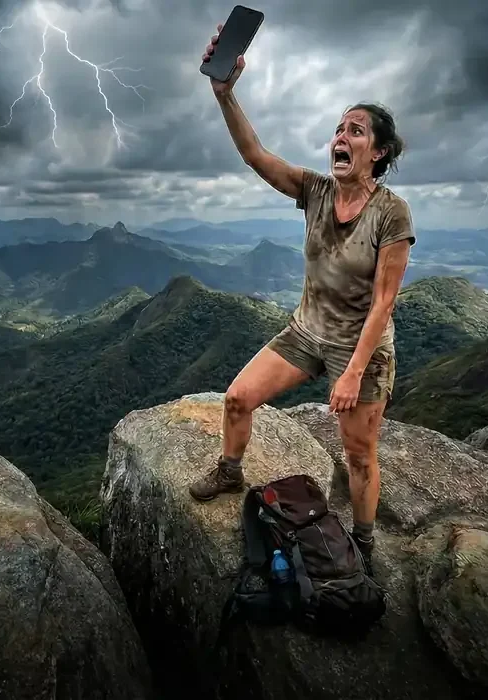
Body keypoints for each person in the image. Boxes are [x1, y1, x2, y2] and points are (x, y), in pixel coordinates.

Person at [189, 23, 415, 573]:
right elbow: (255, 154)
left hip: (360, 347)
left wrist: (352, 373)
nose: (342, 136)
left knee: (358, 454)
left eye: (356, 130)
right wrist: (226, 94)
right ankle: (230, 470)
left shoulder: (392, 213)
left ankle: (362, 541)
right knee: (238, 398)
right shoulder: (315, 190)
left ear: (378, 151)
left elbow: (384, 302)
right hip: (306, 331)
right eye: (338, 128)